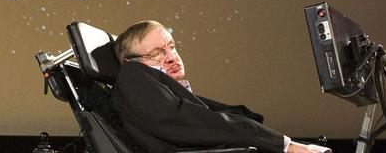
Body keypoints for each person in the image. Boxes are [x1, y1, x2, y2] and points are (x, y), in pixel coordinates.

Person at [112, 20, 330, 153]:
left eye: (171, 47)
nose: (171, 57)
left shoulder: (157, 87)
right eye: (157, 54)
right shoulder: (131, 73)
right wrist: (286, 146)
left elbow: (229, 116)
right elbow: (180, 121)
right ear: (131, 62)